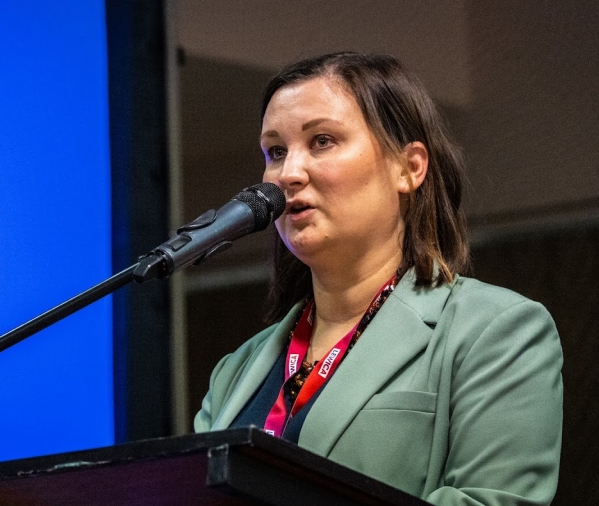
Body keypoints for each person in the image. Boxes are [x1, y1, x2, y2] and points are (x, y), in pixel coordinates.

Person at [194, 52, 563, 505]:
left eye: (322, 140)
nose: (287, 174)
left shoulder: (496, 331)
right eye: (276, 152)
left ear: (409, 168)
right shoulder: (234, 372)